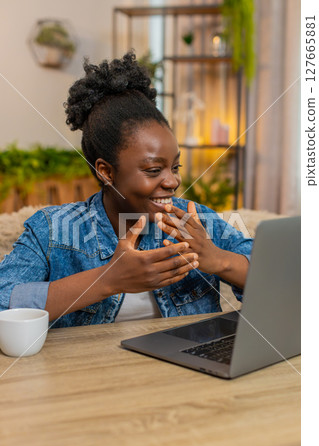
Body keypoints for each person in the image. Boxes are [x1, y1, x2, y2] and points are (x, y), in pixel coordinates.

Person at [0, 52, 253, 328]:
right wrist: (108, 279)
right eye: (154, 170)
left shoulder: (196, 222)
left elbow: (286, 281)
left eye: (175, 167)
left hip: (188, 371)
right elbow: (4, 299)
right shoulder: (52, 230)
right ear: (106, 172)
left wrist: (219, 260)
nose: (172, 182)